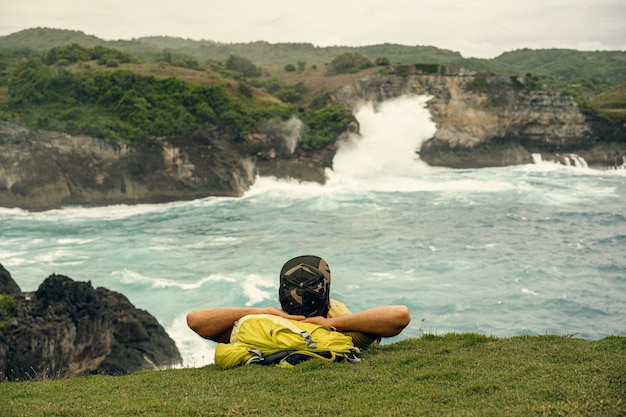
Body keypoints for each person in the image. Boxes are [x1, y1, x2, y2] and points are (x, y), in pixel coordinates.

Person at [187, 255, 411, 350]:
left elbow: (196, 320)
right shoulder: (346, 335)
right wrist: (334, 323)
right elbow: (400, 315)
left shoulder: (263, 329)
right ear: (327, 301)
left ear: (281, 296)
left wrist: (264, 312)